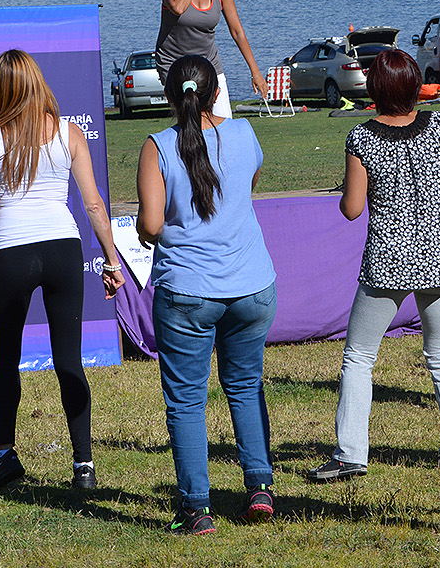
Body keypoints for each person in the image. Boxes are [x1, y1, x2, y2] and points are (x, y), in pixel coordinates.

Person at [309, 49, 440, 484]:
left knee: (359, 357)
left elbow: (351, 209)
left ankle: (350, 453)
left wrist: (350, 184)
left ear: (375, 89)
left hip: (388, 260)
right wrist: (439, 179)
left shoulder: (361, 138)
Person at [0, 50, 125, 490]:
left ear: (0, 89)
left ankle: (5, 455)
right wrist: (112, 261)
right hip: (63, 248)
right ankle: (84, 464)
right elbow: (93, 204)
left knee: (8, 360)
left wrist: (1, 220)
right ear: (37, 82)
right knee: (69, 359)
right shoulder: (70, 132)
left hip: (12, 251)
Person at [136, 55, 277, 534]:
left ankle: (196, 509)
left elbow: (152, 225)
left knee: (187, 403)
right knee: (244, 386)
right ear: (216, 94)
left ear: (170, 97)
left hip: (188, 292)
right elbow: (248, 186)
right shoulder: (244, 134)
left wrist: (141, 227)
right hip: (252, 285)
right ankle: (259, 486)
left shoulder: (157, 147)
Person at [156, 0, 268, 119]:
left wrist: (255, 72)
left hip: (209, 63)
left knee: (223, 122)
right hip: (174, 64)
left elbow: (237, 32)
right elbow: (178, 8)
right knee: (191, 123)